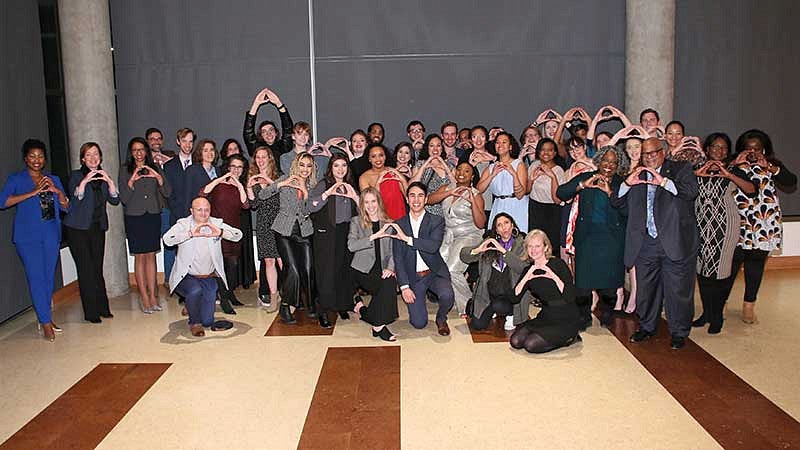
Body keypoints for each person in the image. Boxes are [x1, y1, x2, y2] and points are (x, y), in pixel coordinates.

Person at [613, 137, 698, 350]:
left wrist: (663, 182)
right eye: (645, 154)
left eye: (653, 153)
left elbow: (690, 192)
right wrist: (626, 184)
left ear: (663, 151)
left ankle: (679, 332)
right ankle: (647, 327)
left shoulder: (681, 169)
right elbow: (616, 202)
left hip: (674, 241)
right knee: (647, 289)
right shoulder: (636, 175)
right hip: (645, 243)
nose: (649, 157)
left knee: (677, 291)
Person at [0, 139, 69, 341]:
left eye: (40, 156)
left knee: (48, 278)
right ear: (25, 158)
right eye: (32, 156)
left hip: (50, 234)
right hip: (28, 237)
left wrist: (57, 192)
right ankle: (46, 323)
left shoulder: (53, 179)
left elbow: (66, 207)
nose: (37, 160)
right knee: (36, 278)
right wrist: (33, 192)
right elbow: (3, 201)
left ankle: (44, 317)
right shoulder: (17, 179)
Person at [726, 129, 797, 324]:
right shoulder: (733, 162)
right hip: (738, 223)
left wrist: (771, 168)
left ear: (764, 149)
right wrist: (734, 164)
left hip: (764, 225)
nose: (752, 152)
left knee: (755, 267)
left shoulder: (772, 164)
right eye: (748, 148)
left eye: (757, 149)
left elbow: (791, 182)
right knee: (730, 266)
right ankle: (720, 303)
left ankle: (749, 306)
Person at [557, 145, 629, 329]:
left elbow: (628, 210)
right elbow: (561, 192)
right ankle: (584, 316)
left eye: (614, 162)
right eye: (606, 160)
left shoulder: (622, 184)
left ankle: (607, 314)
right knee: (582, 285)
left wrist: (610, 193)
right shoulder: (586, 177)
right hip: (587, 238)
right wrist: (582, 185)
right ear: (598, 161)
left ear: (618, 164)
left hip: (612, 240)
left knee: (609, 285)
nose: (609, 165)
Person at [691, 133, 755, 334]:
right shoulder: (696, 169)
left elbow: (752, 189)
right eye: (715, 147)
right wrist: (697, 174)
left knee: (719, 273)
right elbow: (681, 187)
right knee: (702, 272)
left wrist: (728, 175)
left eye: (724, 148)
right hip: (700, 225)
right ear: (707, 149)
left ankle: (717, 315)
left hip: (725, 227)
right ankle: (706, 313)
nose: (720, 151)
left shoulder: (734, 169)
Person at [163, 197, 243, 337]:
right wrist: (190, 234)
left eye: (206, 210)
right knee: (195, 290)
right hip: (186, 276)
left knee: (207, 321)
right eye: (199, 210)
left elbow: (238, 235)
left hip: (208, 277)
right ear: (191, 211)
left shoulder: (216, 223)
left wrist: (221, 233)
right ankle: (194, 323)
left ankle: (192, 307)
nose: (203, 213)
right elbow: (167, 240)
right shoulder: (183, 224)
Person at [257, 152, 318, 324]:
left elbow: (308, 211)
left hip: (304, 231)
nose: (305, 169)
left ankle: (311, 304)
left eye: (308, 166)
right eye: (302, 165)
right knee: (293, 269)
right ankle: (285, 306)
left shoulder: (313, 185)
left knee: (307, 268)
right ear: (296, 165)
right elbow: (262, 195)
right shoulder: (285, 179)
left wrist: (305, 193)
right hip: (284, 231)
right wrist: (281, 184)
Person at [63, 142, 120, 323]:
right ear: (82, 159)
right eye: (89, 155)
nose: (93, 158)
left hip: (97, 227)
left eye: (96, 154)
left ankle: (103, 308)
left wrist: (109, 181)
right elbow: (75, 198)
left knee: (97, 268)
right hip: (77, 229)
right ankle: (91, 313)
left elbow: (115, 199)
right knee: (86, 269)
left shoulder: (103, 177)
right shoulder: (76, 175)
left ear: (100, 157)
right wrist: (85, 181)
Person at [391, 182, 455, 336]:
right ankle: (422, 298)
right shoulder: (399, 224)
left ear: (426, 199)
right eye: (412, 195)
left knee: (447, 295)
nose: (416, 200)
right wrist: (404, 286)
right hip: (414, 278)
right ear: (407, 199)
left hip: (434, 272)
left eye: (420, 195)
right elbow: (398, 258)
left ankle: (441, 318)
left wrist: (408, 239)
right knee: (419, 324)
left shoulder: (436, 220)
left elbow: (432, 246)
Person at [119, 137, 171, 314]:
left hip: (153, 215)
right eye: (135, 150)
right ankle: (144, 297)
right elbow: (123, 199)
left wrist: (157, 176)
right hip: (135, 217)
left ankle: (154, 295)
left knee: (151, 256)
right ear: (131, 153)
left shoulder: (155, 167)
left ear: (146, 151)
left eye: (142, 149)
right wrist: (132, 180)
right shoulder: (125, 169)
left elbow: (167, 192)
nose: (139, 153)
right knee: (140, 257)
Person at [308, 154, 360, 327]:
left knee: (343, 269)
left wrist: (354, 196)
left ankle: (341, 305)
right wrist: (327, 193)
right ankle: (323, 309)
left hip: (346, 231)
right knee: (326, 272)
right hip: (326, 233)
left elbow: (364, 210)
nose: (340, 169)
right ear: (330, 168)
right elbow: (310, 207)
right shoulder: (324, 184)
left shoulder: (351, 185)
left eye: (343, 165)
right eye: (336, 165)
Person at [427, 162, 485, 316]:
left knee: (453, 270)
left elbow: (480, 224)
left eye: (467, 171)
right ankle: (451, 300)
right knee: (439, 266)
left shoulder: (476, 194)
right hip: (449, 235)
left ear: (472, 176)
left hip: (469, 235)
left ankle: (470, 306)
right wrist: (450, 193)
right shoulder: (447, 187)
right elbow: (429, 199)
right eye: (459, 169)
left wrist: (472, 202)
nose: (462, 173)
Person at [511, 230, 582, 354]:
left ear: (545, 247)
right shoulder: (529, 269)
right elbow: (514, 298)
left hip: (566, 316)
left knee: (531, 345)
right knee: (516, 341)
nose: (533, 250)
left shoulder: (558, 264)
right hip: (546, 315)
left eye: (537, 246)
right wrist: (527, 276)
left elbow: (570, 296)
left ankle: (570, 338)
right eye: (530, 246)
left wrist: (553, 276)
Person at [199, 154, 249, 314]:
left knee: (232, 265)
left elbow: (246, 205)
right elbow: (202, 193)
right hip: (217, 231)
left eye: (239, 167)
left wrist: (239, 185)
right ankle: (225, 300)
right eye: (233, 166)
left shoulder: (240, 186)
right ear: (228, 167)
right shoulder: (218, 185)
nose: (236, 170)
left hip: (233, 231)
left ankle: (230, 293)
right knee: (220, 266)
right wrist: (221, 179)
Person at [461, 213, 529, 331]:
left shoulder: (522, 243)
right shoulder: (490, 242)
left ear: (513, 225)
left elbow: (522, 268)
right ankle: (492, 309)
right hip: (489, 295)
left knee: (499, 305)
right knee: (477, 325)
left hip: (512, 296)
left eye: (507, 223)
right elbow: (464, 256)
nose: (504, 227)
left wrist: (503, 251)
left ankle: (511, 314)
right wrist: (478, 250)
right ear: (496, 230)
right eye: (499, 225)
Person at [350, 187, 399, 341]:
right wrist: (373, 237)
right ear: (362, 205)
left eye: (373, 201)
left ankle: (373, 321)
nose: (370, 206)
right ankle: (375, 322)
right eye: (366, 202)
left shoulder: (389, 223)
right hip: (362, 270)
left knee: (389, 282)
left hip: (382, 268)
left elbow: (393, 251)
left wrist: (390, 268)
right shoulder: (356, 222)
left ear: (379, 202)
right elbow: (351, 246)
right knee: (385, 288)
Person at [247, 146, 282, 311]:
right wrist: (249, 187)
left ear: (270, 159)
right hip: (263, 224)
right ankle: (273, 297)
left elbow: (282, 196)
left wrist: (267, 181)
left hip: (280, 223)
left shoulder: (279, 177)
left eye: (264, 157)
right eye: (258, 157)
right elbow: (253, 205)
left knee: (283, 261)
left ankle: (289, 294)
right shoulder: (253, 179)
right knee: (268, 261)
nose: (260, 160)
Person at [162, 127, 195, 285]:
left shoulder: (199, 162)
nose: (188, 145)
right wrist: (181, 214)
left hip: (198, 216)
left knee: (195, 254)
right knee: (180, 254)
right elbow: (168, 194)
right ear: (178, 142)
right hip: (177, 215)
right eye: (184, 141)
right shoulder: (169, 166)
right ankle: (181, 286)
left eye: (190, 141)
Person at [477, 132, 528, 232]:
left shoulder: (518, 164)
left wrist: (513, 173)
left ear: (510, 147)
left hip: (516, 205)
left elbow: (520, 194)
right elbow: (479, 189)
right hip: (499, 205)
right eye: (497, 142)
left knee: (517, 237)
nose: (500, 145)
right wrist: (492, 175)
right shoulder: (491, 167)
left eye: (504, 142)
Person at [527, 138, 565, 251]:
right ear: (538, 152)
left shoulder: (559, 170)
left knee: (551, 244)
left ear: (554, 153)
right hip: (535, 208)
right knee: (534, 241)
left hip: (552, 210)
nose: (546, 153)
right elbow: (527, 191)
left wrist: (552, 176)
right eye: (543, 150)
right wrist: (532, 179)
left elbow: (557, 200)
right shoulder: (534, 165)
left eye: (549, 150)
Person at [243, 87, 294, 161]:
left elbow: (288, 130)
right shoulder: (257, 149)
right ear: (261, 136)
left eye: (271, 130)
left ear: (276, 133)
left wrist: (279, 104)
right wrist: (256, 104)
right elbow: (248, 132)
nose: (268, 134)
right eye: (264, 132)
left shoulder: (283, 147)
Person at [359, 144, 407, 220]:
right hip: (379, 219)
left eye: (381, 155)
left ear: (385, 157)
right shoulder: (364, 177)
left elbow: (408, 196)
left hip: (400, 218)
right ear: (369, 159)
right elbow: (368, 203)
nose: (378, 159)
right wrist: (378, 182)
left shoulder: (393, 172)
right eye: (374, 156)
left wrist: (401, 178)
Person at [410, 134, 455, 216]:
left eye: (438, 146)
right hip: (427, 211)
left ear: (442, 148)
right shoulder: (420, 164)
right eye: (431, 146)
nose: (435, 149)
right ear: (427, 148)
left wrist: (444, 164)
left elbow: (455, 184)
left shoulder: (450, 166)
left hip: (447, 211)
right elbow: (412, 185)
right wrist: (426, 164)